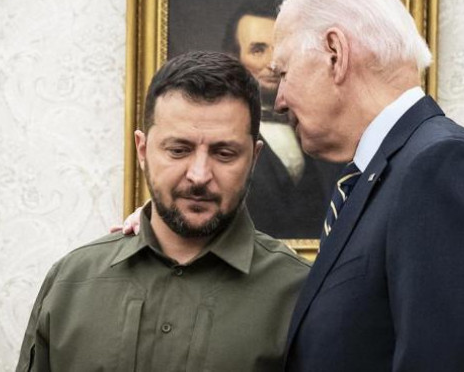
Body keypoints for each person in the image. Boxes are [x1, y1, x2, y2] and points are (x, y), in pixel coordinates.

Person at [272, 0, 464, 371]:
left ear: (335, 53)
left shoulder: (442, 167)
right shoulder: (380, 175)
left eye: (284, 72)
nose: (279, 100)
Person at [16, 52, 310, 371]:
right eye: (178, 150)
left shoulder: (299, 295)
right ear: (143, 150)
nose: (199, 175)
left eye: (224, 153)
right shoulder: (70, 283)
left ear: (254, 158)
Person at [222, 0, 341, 238]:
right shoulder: (219, 134)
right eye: (258, 50)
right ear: (234, 59)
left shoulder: (325, 128)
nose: (272, 64)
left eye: (279, 50)